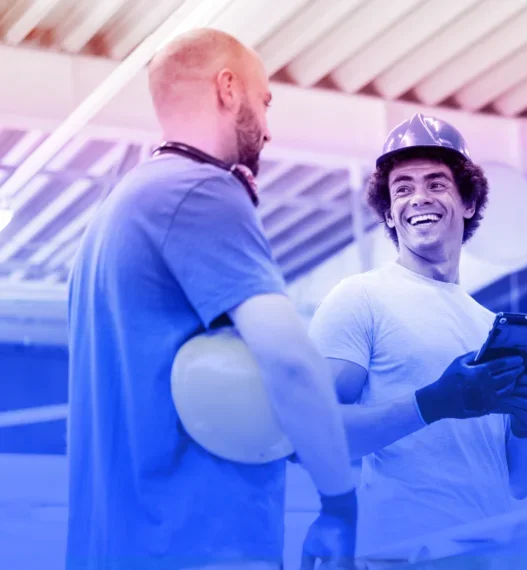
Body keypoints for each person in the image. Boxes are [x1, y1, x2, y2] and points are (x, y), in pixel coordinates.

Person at [66, 29, 356, 569]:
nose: (268, 130)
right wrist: (340, 505)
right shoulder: (200, 190)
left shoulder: (114, 215)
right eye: (264, 102)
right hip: (198, 541)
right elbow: (291, 363)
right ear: (228, 88)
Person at [306, 113, 527, 556]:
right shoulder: (360, 297)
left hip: (490, 553)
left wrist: (524, 426)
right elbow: (319, 435)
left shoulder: (486, 324)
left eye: (437, 184)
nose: (419, 197)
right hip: (403, 554)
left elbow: (521, 482)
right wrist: (432, 403)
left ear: (468, 203)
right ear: (389, 213)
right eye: (403, 188)